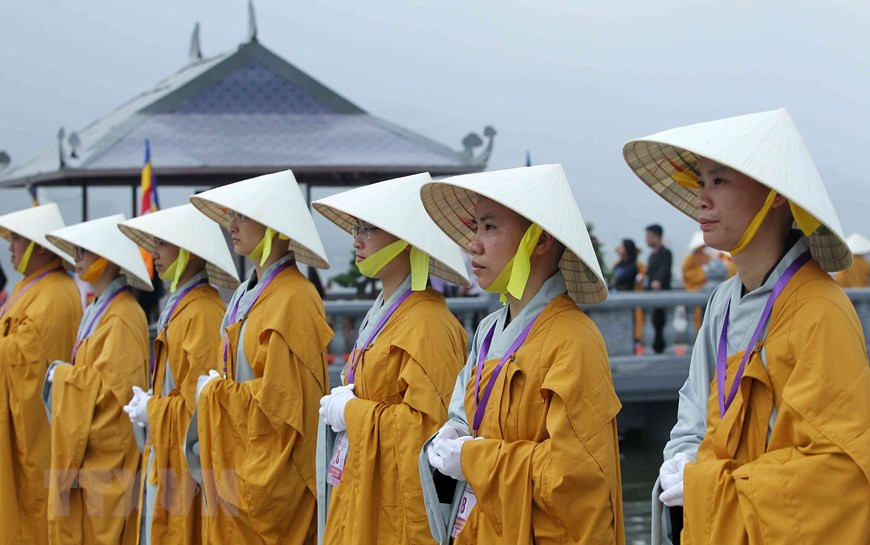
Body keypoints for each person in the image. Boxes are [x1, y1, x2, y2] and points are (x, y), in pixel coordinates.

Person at [623, 108, 870, 544]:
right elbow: (692, 414)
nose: (701, 198)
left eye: (719, 181)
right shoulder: (721, 302)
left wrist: (709, 486)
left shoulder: (819, 310)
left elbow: (837, 474)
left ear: (775, 193)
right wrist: (680, 459)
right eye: (700, 182)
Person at [418, 164, 625, 544]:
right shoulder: (487, 331)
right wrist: (455, 432)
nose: (473, 244)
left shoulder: (573, 339)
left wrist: (473, 459)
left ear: (540, 239)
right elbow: (464, 419)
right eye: (476, 227)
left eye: (490, 227)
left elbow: (573, 477)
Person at [312, 172, 469, 545]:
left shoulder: (428, 322)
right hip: (363, 486)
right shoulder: (381, 313)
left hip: (400, 512)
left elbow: (427, 432)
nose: (357, 239)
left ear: (404, 240)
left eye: (368, 229)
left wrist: (350, 412)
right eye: (356, 228)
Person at [185, 170, 333, 545]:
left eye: (241, 216)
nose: (231, 226)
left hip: (270, 474)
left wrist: (216, 394)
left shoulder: (296, 297)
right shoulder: (241, 294)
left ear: (273, 225)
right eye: (230, 217)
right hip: (235, 459)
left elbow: (284, 405)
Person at [118, 204, 240, 545]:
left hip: (187, 465)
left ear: (188, 249)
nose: (154, 254)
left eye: (163, 245)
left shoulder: (200, 311)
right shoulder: (183, 305)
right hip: (166, 451)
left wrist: (153, 410)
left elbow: (196, 410)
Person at [43, 214, 153, 545]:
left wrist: (62, 377)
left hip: (105, 460)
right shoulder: (99, 308)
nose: (76, 259)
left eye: (83, 251)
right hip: (86, 454)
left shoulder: (124, 313)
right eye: (75, 251)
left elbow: (115, 395)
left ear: (106, 257)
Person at [0, 204, 82, 545]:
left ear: (40, 246)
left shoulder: (54, 294)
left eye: (17, 239)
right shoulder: (28, 286)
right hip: (27, 419)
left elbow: (29, 361)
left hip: (38, 425)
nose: (10, 246)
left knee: (34, 499)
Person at [645, 224, 672, 353]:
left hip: (661, 294)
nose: (646, 239)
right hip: (652, 295)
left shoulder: (666, 253)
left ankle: (660, 350)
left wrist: (658, 281)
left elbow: (665, 271)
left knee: (661, 322)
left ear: (657, 236)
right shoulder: (651, 256)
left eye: (649, 236)